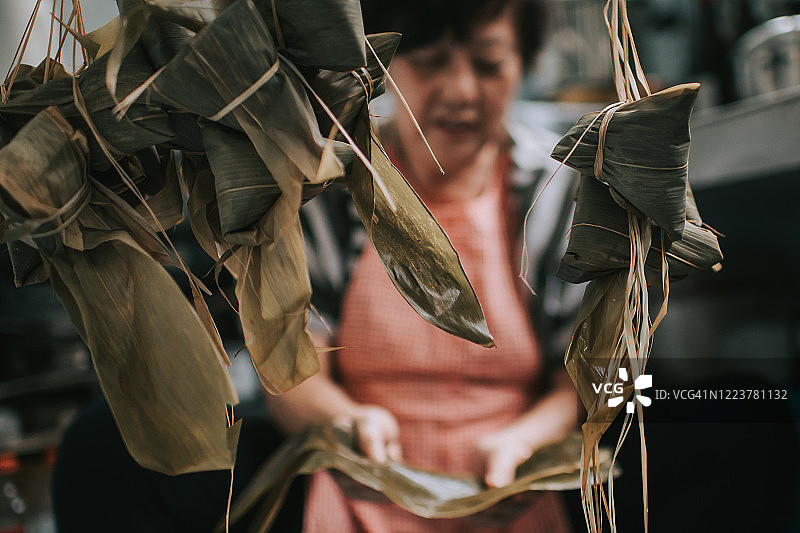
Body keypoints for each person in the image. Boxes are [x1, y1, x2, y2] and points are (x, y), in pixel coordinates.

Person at [269, 0, 583, 531]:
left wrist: (527, 444)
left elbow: (580, 379)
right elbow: (293, 372)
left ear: (523, 63)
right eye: (432, 61)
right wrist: (343, 422)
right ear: (383, 64)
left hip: (512, 492)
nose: (461, 90)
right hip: (359, 491)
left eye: (488, 64)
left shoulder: (553, 193)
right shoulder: (333, 189)